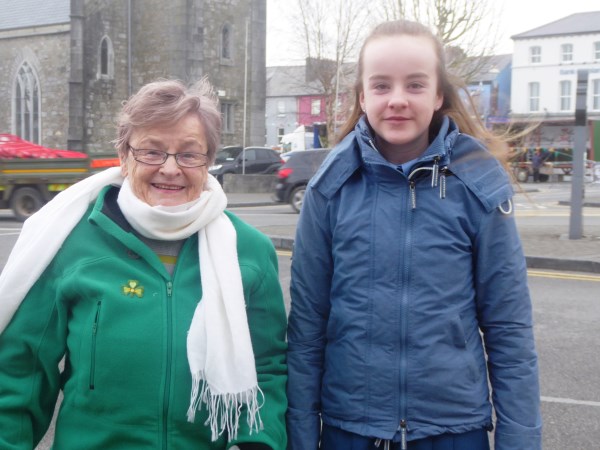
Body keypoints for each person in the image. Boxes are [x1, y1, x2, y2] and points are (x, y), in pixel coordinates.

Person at [286, 20, 541, 450]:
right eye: (381, 85)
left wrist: (520, 440)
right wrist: (302, 436)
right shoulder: (329, 189)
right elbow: (308, 327)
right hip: (351, 430)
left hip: (453, 432)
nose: (398, 100)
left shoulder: (478, 185)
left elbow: (509, 329)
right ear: (362, 96)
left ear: (439, 95)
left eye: (416, 85)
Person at [0, 78, 288, 450]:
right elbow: (22, 370)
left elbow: (267, 367)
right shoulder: (68, 243)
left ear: (208, 161)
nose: (170, 168)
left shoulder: (249, 250)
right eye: (151, 152)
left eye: (189, 154)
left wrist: (258, 443)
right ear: (124, 157)